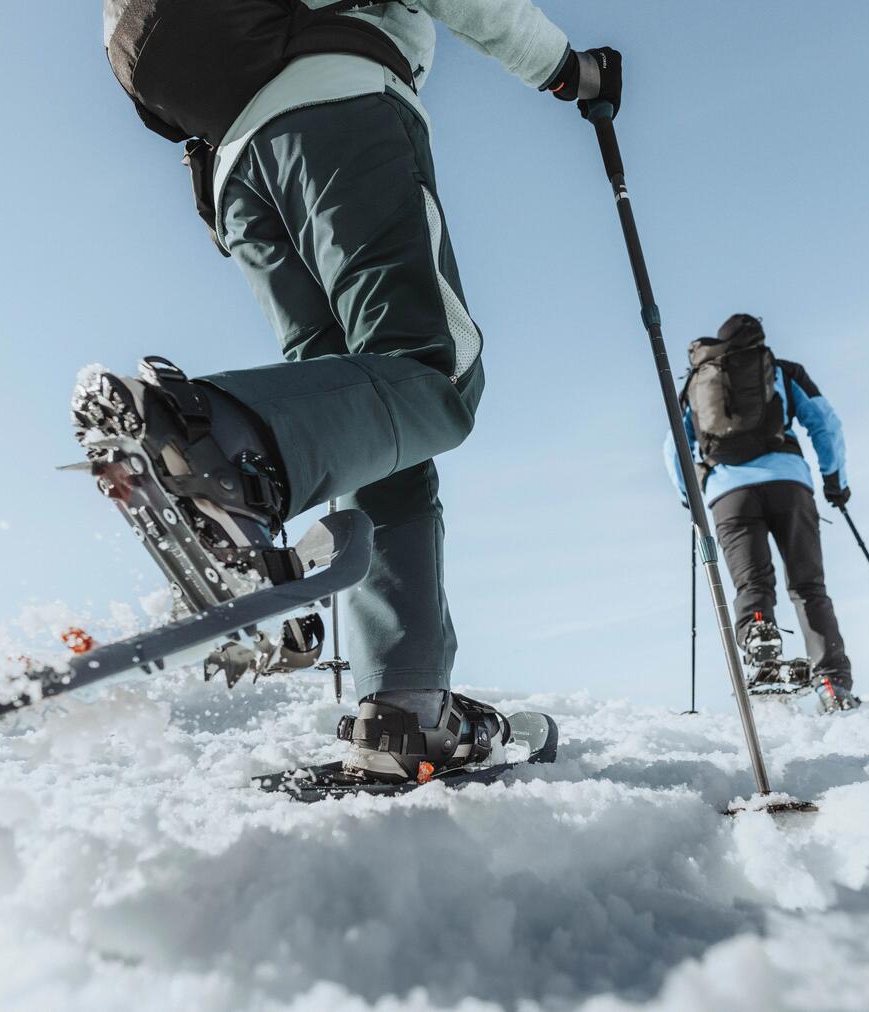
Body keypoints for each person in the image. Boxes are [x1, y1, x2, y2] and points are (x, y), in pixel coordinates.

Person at [85, 1, 620, 784]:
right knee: (434, 375)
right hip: (337, 117)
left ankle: (405, 707)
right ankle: (215, 445)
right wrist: (568, 68)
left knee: (370, 433)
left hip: (238, 178)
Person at [665, 313, 859, 712]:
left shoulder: (699, 382)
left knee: (751, 583)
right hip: (789, 485)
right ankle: (831, 684)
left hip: (728, 494)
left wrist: (691, 496)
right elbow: (826, 424)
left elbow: (674, 446)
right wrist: (834, 481)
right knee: (808, 586)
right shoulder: (783, 371)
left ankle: (759, 634)